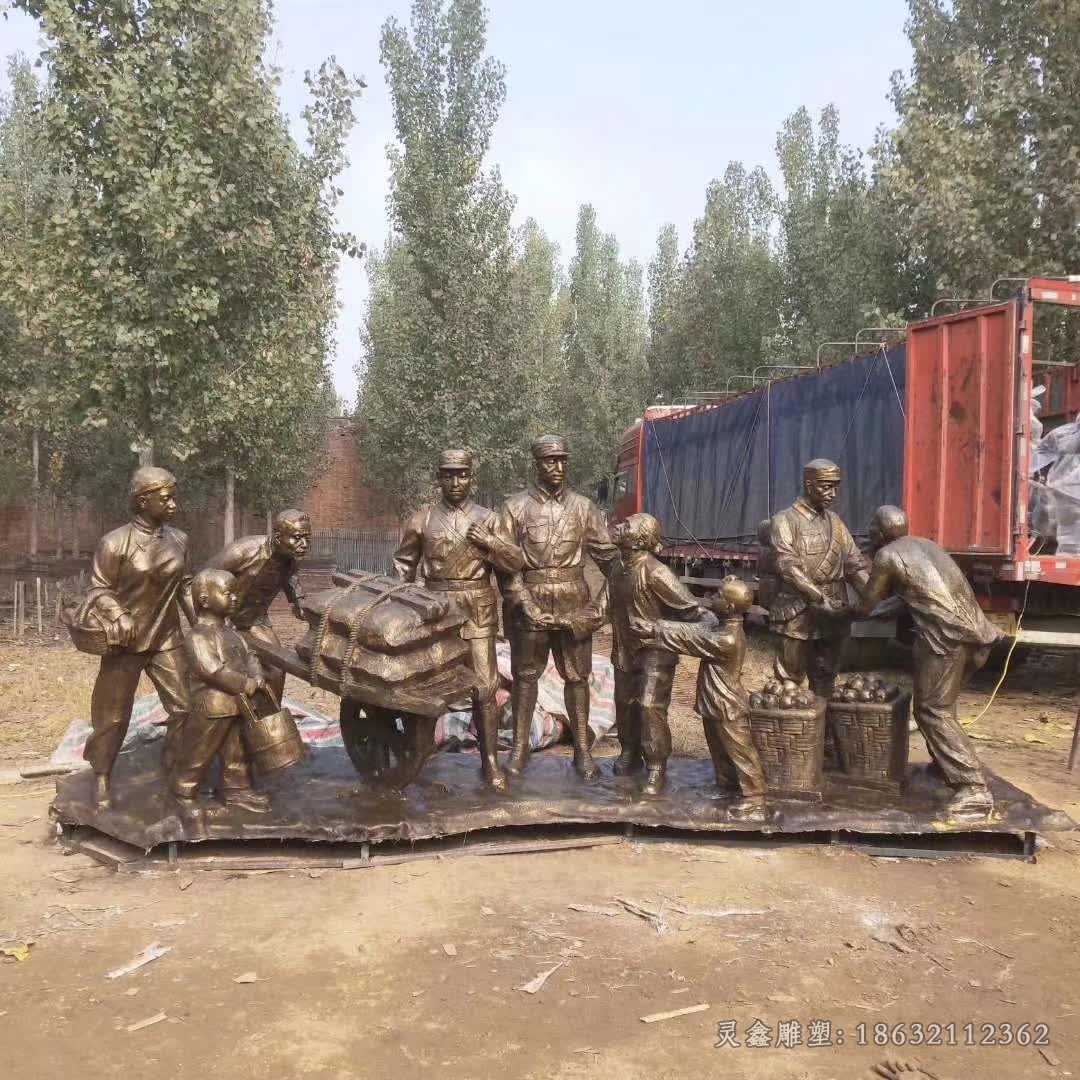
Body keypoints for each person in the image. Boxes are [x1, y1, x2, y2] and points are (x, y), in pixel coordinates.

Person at [851, 505, 1002, 817]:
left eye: (871, 528)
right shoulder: (927, 545)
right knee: (943, 706)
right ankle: (945, 766)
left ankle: (973, 787)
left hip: (945, 640)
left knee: (931, 710)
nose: (869, 533)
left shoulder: (887, 556)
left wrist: (848, 580)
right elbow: (910, 598)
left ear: (878, 532)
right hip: (976, 635)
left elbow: (866, 604)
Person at [393, 449, 524, 791]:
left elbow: (515, 562)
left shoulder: (489, 519)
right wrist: (400, 610)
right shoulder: (421, 520)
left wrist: (491, 542)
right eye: (449, 475)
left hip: (477, 610)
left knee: (485, 687)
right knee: (428, 688)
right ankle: (421, 756)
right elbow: (403, 569)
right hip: (436, 612)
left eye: (462, 474)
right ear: (439, 478)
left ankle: (490, 761)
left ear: (472, 478)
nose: (455, 482)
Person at [494, 435, 618, 780]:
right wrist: (523, 602)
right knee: (525, 677)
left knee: (577, 677)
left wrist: (598, 609)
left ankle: (582, 749)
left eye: (563, 460)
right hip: (528, 602)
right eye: (550, 461)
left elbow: (612, 563)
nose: (558, 467)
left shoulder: (584, 508)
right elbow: (504, 565)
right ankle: (519, 748)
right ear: (536, 465)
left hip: (573, 602)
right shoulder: (514, 508)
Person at [83, 466, 194, 810]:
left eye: (174, 497)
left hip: (167, 637)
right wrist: (118, 613)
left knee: (185, 708)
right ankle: (102, 776)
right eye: (166, 498)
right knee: (113, 717)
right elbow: (98, 589)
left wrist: (206, 626)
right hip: (125, 644)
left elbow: (186, 587)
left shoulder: (179, 540)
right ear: (143, 501)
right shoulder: (115, 543)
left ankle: (173, 770)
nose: (174, 504)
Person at [633, 577, 767, 821]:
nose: (712, 597)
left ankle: (755, 799)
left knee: (740, 752)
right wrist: (660, 625)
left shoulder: (727, 639)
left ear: (729, 607)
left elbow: (691, 640)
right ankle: (726, 786)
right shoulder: (720, 626)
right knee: (719, 749)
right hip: (713, 702)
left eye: (718, 595)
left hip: (727, 705)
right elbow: (696, 629)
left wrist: (655, 630)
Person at [608, 513, 705, 795]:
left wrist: (662, 629)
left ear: (640, 540)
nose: (619, 526)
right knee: (624, 703)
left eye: (626, 525)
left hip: (656, 653)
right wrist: (572, 622)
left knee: (649, 707)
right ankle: (629, 750)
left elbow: (695, 613)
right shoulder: (617, 568)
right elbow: (603, 605)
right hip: (625, 649)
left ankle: (655, 764)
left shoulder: (656, 572)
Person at [169, 569, 270, 818]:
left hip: (239, 706)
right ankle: (183, 793)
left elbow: (251, 656)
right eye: (228, 593)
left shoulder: (232, 633)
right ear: (205, 600)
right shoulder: (197, 636)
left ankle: (238, 790)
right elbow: (212, 670)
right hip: (212, 708)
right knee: (199, 752)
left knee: (237, 751)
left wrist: (257, 675)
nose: (235, 598)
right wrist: (245, 683)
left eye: (236, 593)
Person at [768, 459, 869, 699]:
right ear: (808, 484)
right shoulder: (784, 520)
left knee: (826, 676)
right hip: (796, 611)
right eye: (826, 486)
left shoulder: (835, 522)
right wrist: (818, 598)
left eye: (835, 487)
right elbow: (787, 565)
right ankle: (791, 723)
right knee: (789, 681)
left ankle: (824, 721)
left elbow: (854, 564)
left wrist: (873, 596)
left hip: (832, 614)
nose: (833, 494)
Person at [206, 509, 312, 703]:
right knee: (231, 668)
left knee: (277, 667)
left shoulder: (291, 557)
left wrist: (298, 601)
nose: (304, 544)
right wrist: (203, 624)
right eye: (297, 538)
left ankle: (270, 714)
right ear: (278, 538)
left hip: (255, 620)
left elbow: (291, 577)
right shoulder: (243, 551)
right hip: (222, 621)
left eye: (307, 538)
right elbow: (204, 579)